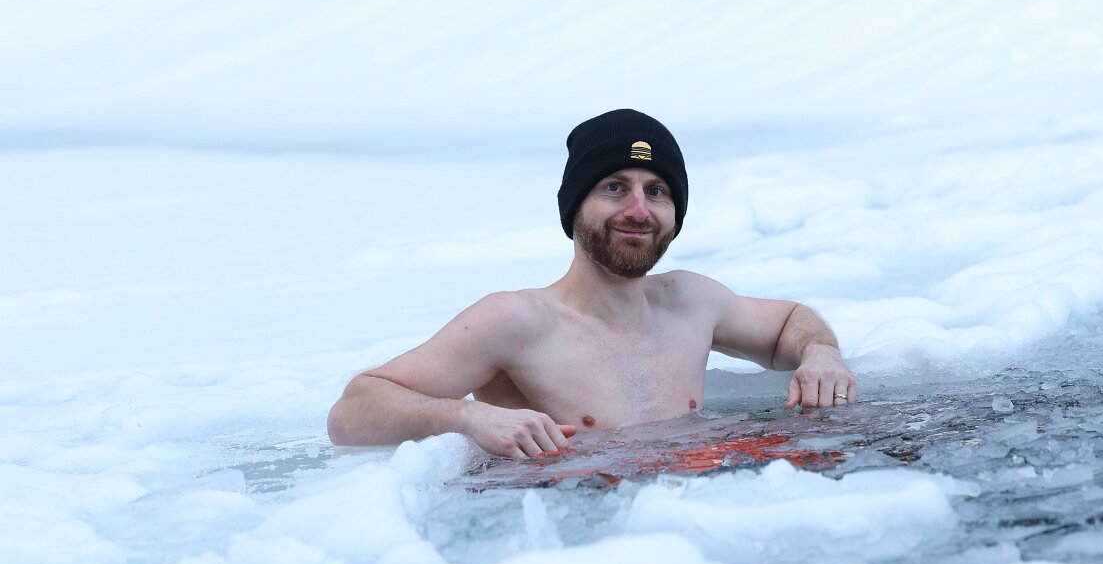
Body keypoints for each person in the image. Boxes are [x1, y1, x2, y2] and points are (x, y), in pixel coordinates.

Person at [327, 108, 857, 459]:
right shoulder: (517, 322)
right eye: (614, 187)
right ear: (575, 206)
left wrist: (821, 353)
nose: (638, 210)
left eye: (657, 191)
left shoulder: (691, 301)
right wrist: (468, 416)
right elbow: (352, 411)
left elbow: (791, 321)